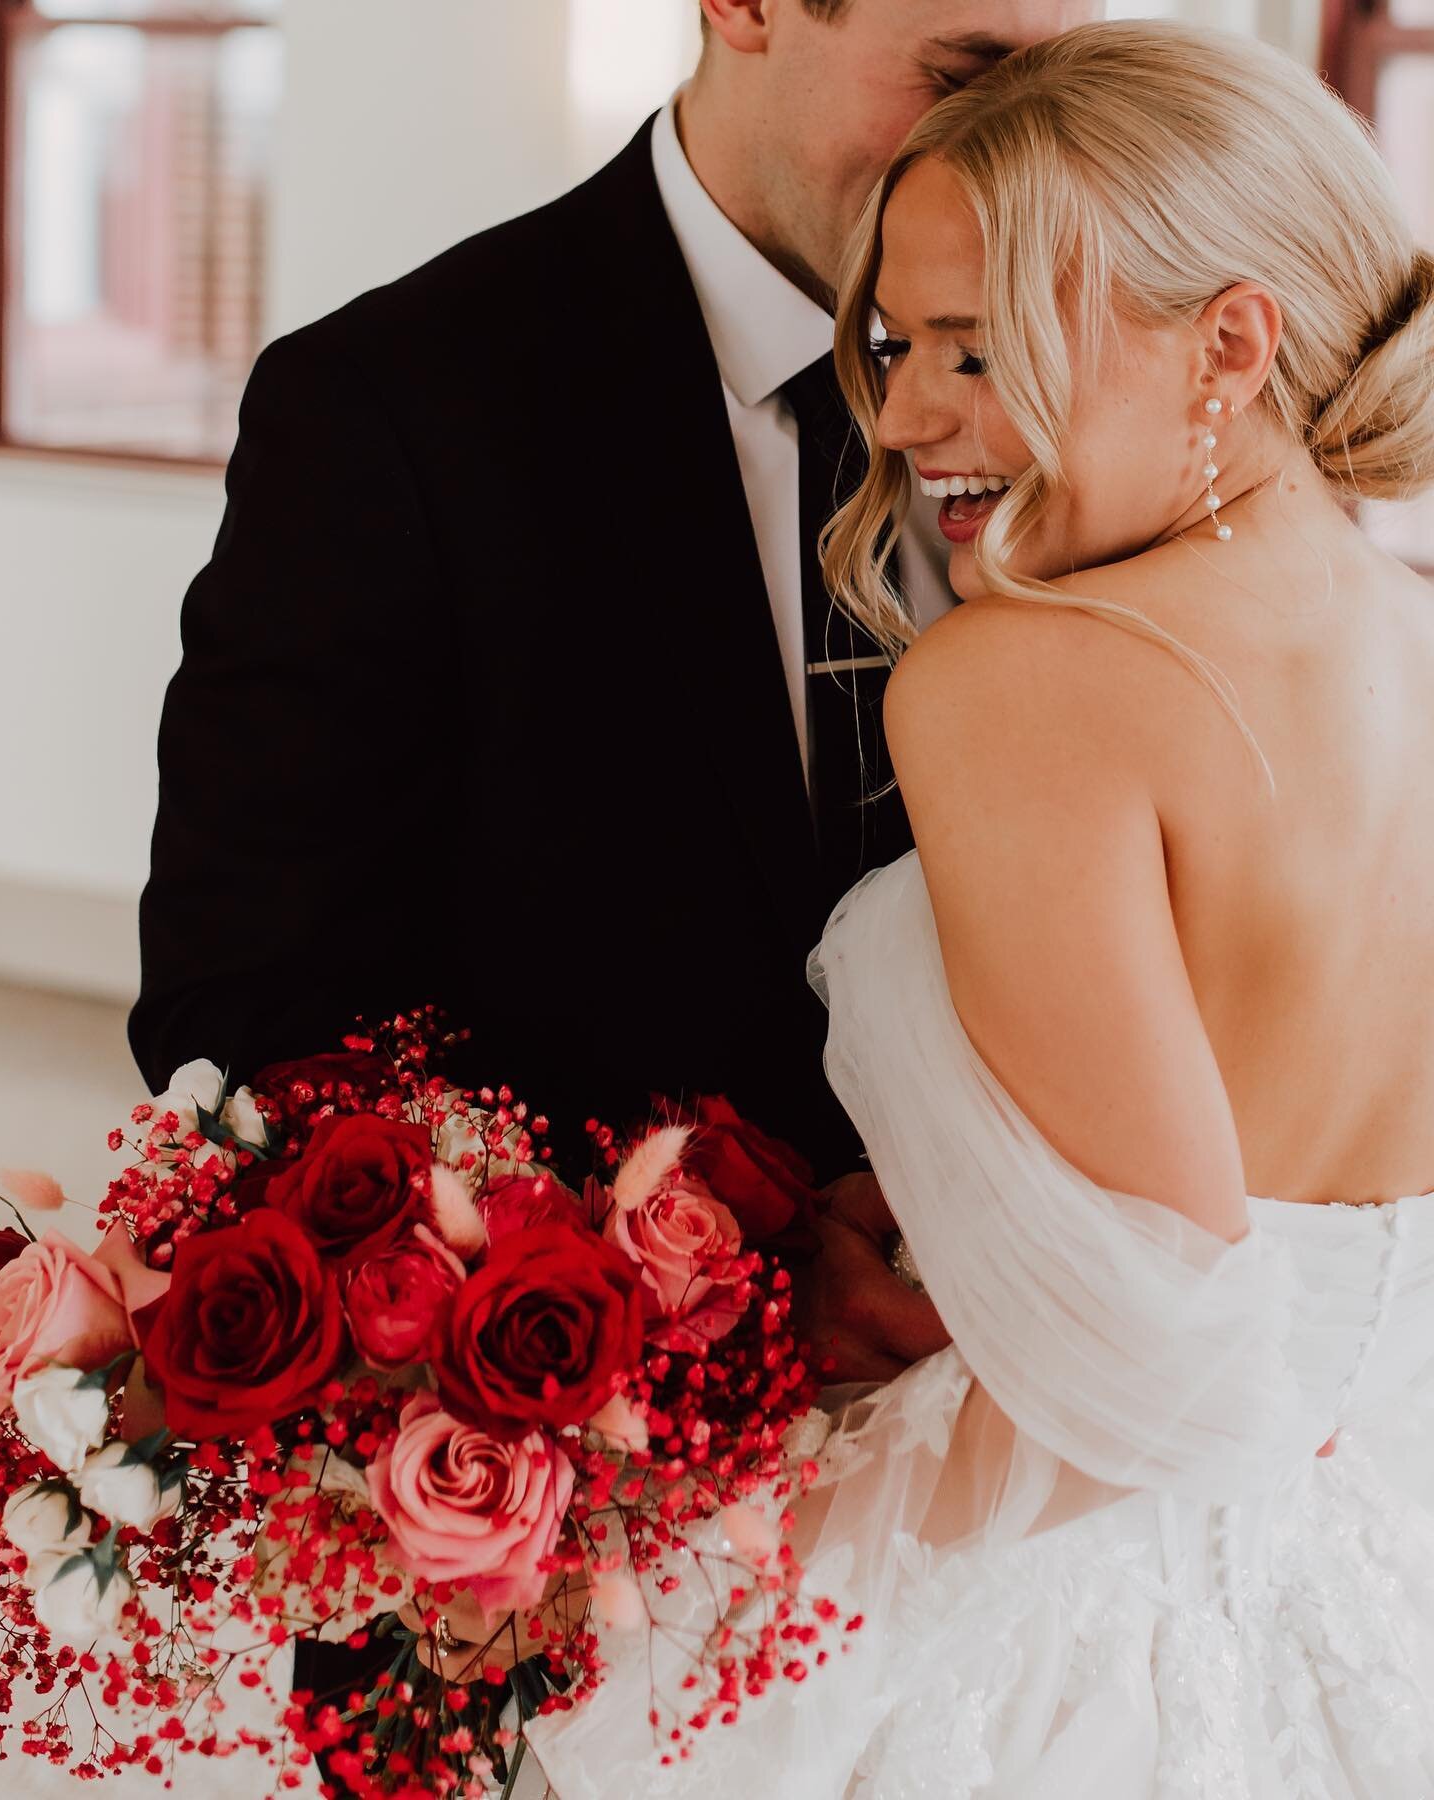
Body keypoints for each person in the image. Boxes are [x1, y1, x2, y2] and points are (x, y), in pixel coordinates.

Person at [126, 0, 1092, 1728]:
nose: (1010, 159)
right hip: (553, 1518)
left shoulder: (1087, 400)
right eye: (962, 79)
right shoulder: (399, 406)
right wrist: (719, 1279)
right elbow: (247, 1012)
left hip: (996, 1538)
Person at [523, 20, 1434, 1796]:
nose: (907, 414)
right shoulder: (1409, 635)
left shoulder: (1024, 682)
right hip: (1372, 1557)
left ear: (1228, 347)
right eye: (891, 344)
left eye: (977, 346)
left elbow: (1147, 1349)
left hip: (1078, 1617)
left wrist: (698, 1561)